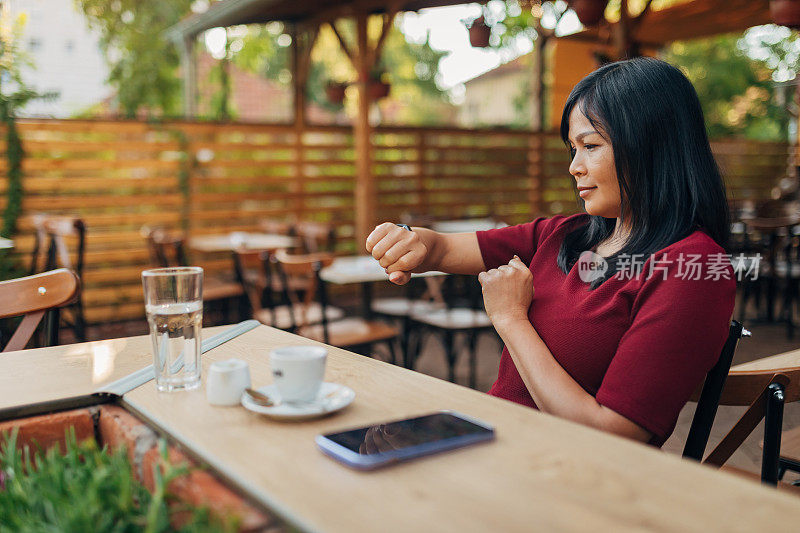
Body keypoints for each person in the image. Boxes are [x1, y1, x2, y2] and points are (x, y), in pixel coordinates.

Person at [365, 57, 736, 447]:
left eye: (590, 146)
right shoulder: (563, 235)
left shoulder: (690, 270)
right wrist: (410, 240)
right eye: (572, 149)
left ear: (651, 146)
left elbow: (614, 435)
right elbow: (440, 250)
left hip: (559, 480)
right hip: (491, 445)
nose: (574, 167)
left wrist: (511, 319)